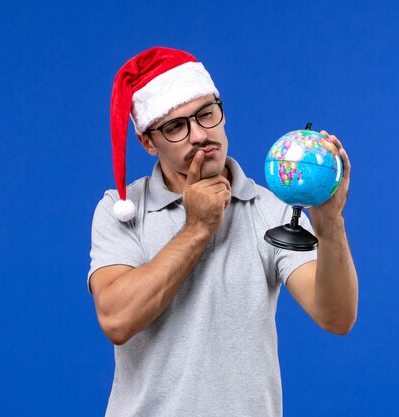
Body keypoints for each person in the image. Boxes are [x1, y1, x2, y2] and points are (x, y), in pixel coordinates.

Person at [87, 46, 358, 417]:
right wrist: (197, 228)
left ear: (221, 112)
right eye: (176, 126)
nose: (199, 134)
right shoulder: (120, 211)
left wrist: (330, 225)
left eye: (206, 114)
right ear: (148, 142)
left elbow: (336, 316)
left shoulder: (271, 207)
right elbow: (117, 320)